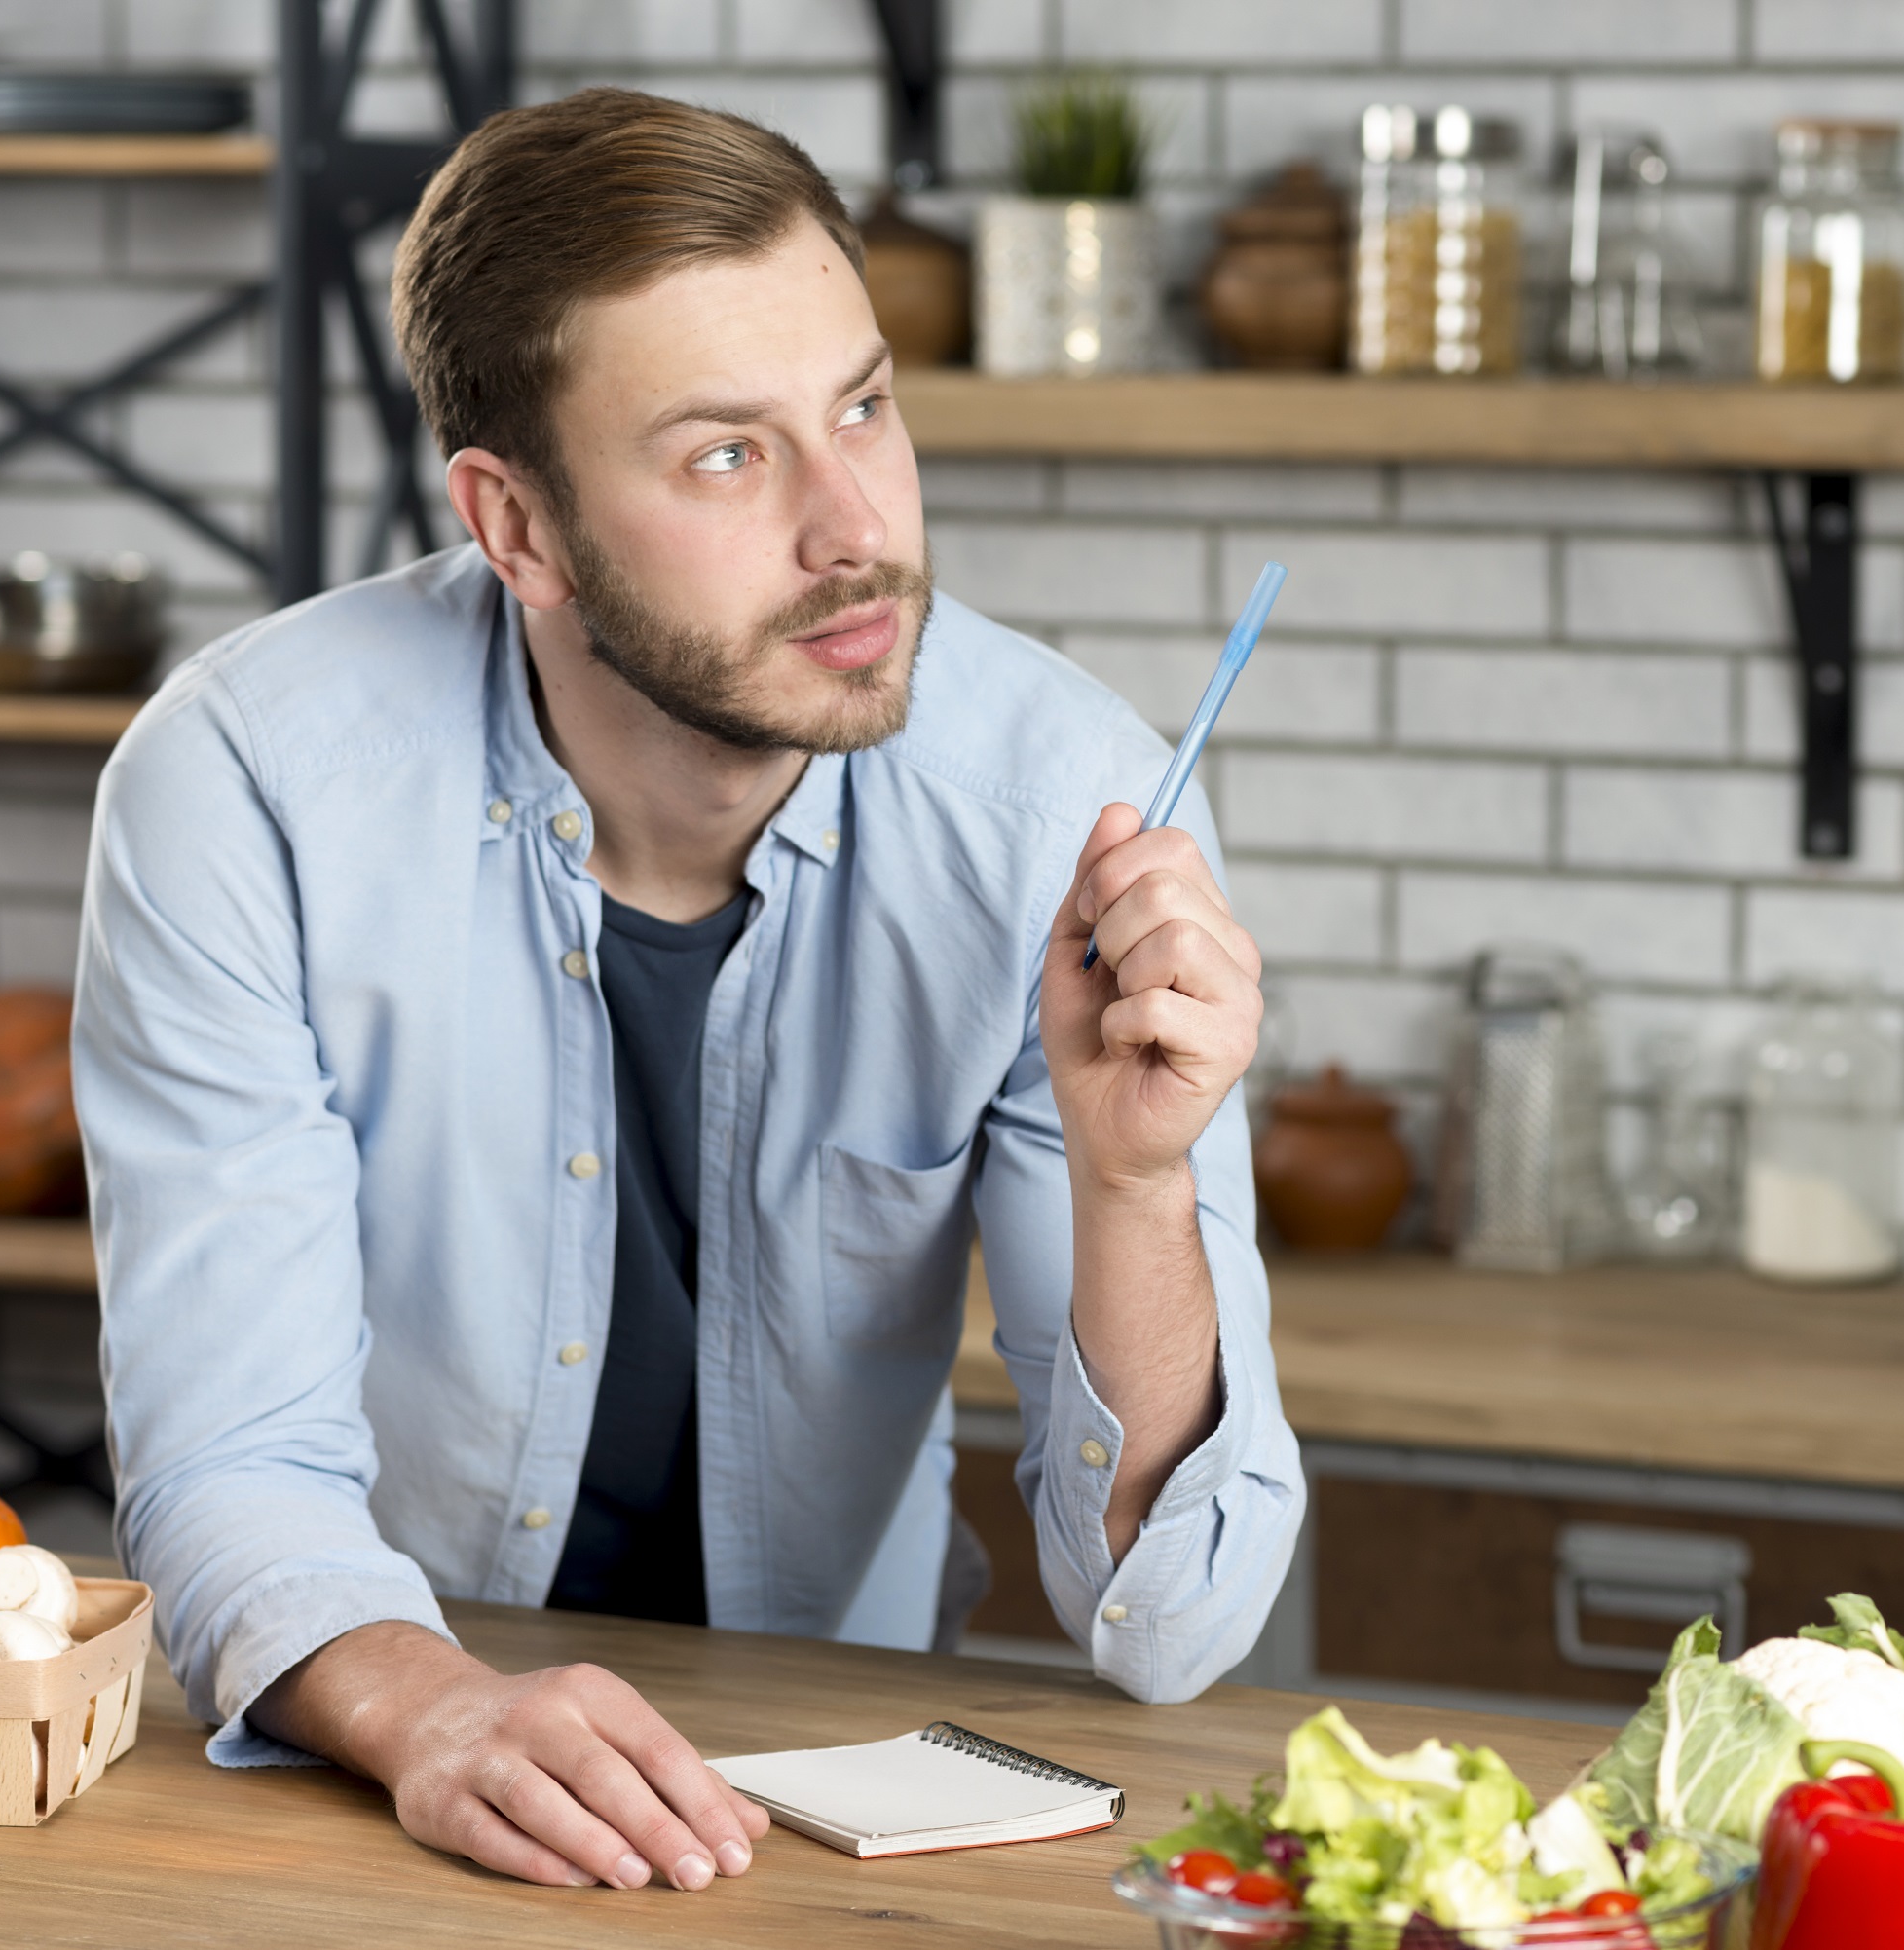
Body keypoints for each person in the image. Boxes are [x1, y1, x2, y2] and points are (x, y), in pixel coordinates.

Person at [74, 90, 1303, 1895]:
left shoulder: (1071, 809)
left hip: (840, 1800)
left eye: (863, 407)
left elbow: (1167, 1624)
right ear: (519, 526)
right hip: (387, 1770)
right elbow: (230, 1460)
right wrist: (431, 1709)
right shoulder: (246, 784)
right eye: (728, 455)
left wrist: (1135, 1185)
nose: (856, 527)